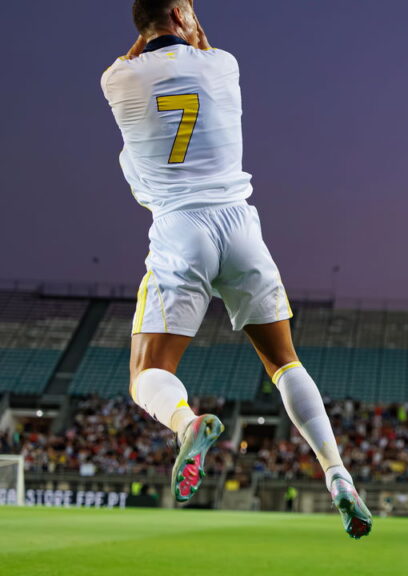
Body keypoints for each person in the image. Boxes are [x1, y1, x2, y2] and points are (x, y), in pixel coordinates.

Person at [100, 0, 372, 538]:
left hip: (181, 227)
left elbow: (137, 56)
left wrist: (157, 26)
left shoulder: (116, 79)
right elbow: (197, 46)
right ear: (183, 13)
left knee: (145, 376)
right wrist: (189, 24)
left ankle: (186, 423)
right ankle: (338, 473)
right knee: (284, 363)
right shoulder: (224, 64)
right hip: (239, 225)